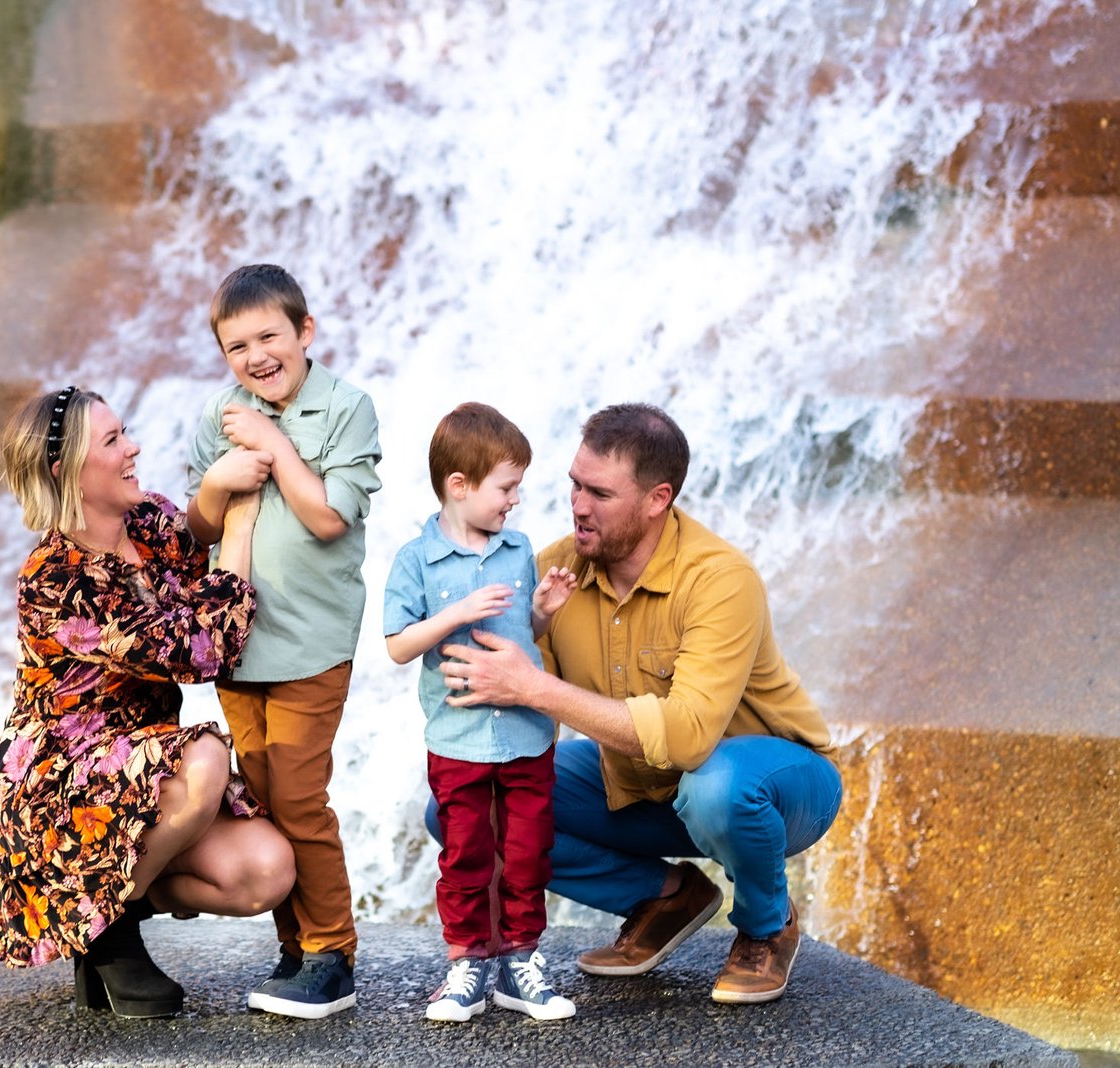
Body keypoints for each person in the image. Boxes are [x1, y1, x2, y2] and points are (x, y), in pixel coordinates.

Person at [435, 402, 842, 1005]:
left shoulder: (720, 579)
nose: (577, 505)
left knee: (718, 787)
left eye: (599, 492)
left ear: (657, 499)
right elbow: (490, 692)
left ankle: (765, 928)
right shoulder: (550, 570)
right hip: (642, 782)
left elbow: (688, 739)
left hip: (778, 789)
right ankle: (664, 897)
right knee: (460, 807)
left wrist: (532, 685)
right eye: (574, 484)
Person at [0, 385, 295, 1018]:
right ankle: (107, 934)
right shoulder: (54, 579)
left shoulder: (147, 520)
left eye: (124, 433)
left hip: (137, 784)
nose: (134, 448)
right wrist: (240, 521)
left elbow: (189, 566)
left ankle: (99, 915)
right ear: (65, 470)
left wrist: (216, 497)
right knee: (205, 755)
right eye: (112, 441)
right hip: (57, 790)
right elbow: (204, 649)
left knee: (266, 869)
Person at [185, 264, 382, 1019]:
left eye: (269, 336)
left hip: (310, 646)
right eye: (236, 346)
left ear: (304, 331)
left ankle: (333, 953)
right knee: (263, 799)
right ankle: (297, 948)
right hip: (238, 649)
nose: (255, 356)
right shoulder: (221, 413)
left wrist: (271, 441)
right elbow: (196, 531)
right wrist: (218, 483)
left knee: (299, 798)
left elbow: (330, 516)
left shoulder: (346, 408)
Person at [383, 403, 579, 1022]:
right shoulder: (417, 559)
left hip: (526, 735)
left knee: (527, 851)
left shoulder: (518, 551)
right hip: (458, 738)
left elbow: (526, 634)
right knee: (465, 853)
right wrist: (454, 615)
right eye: (507, 487)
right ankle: (467, 964)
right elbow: (397, 645)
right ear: (459, 487)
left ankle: (520, 963)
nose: (516, 500)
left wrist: (544, 608)